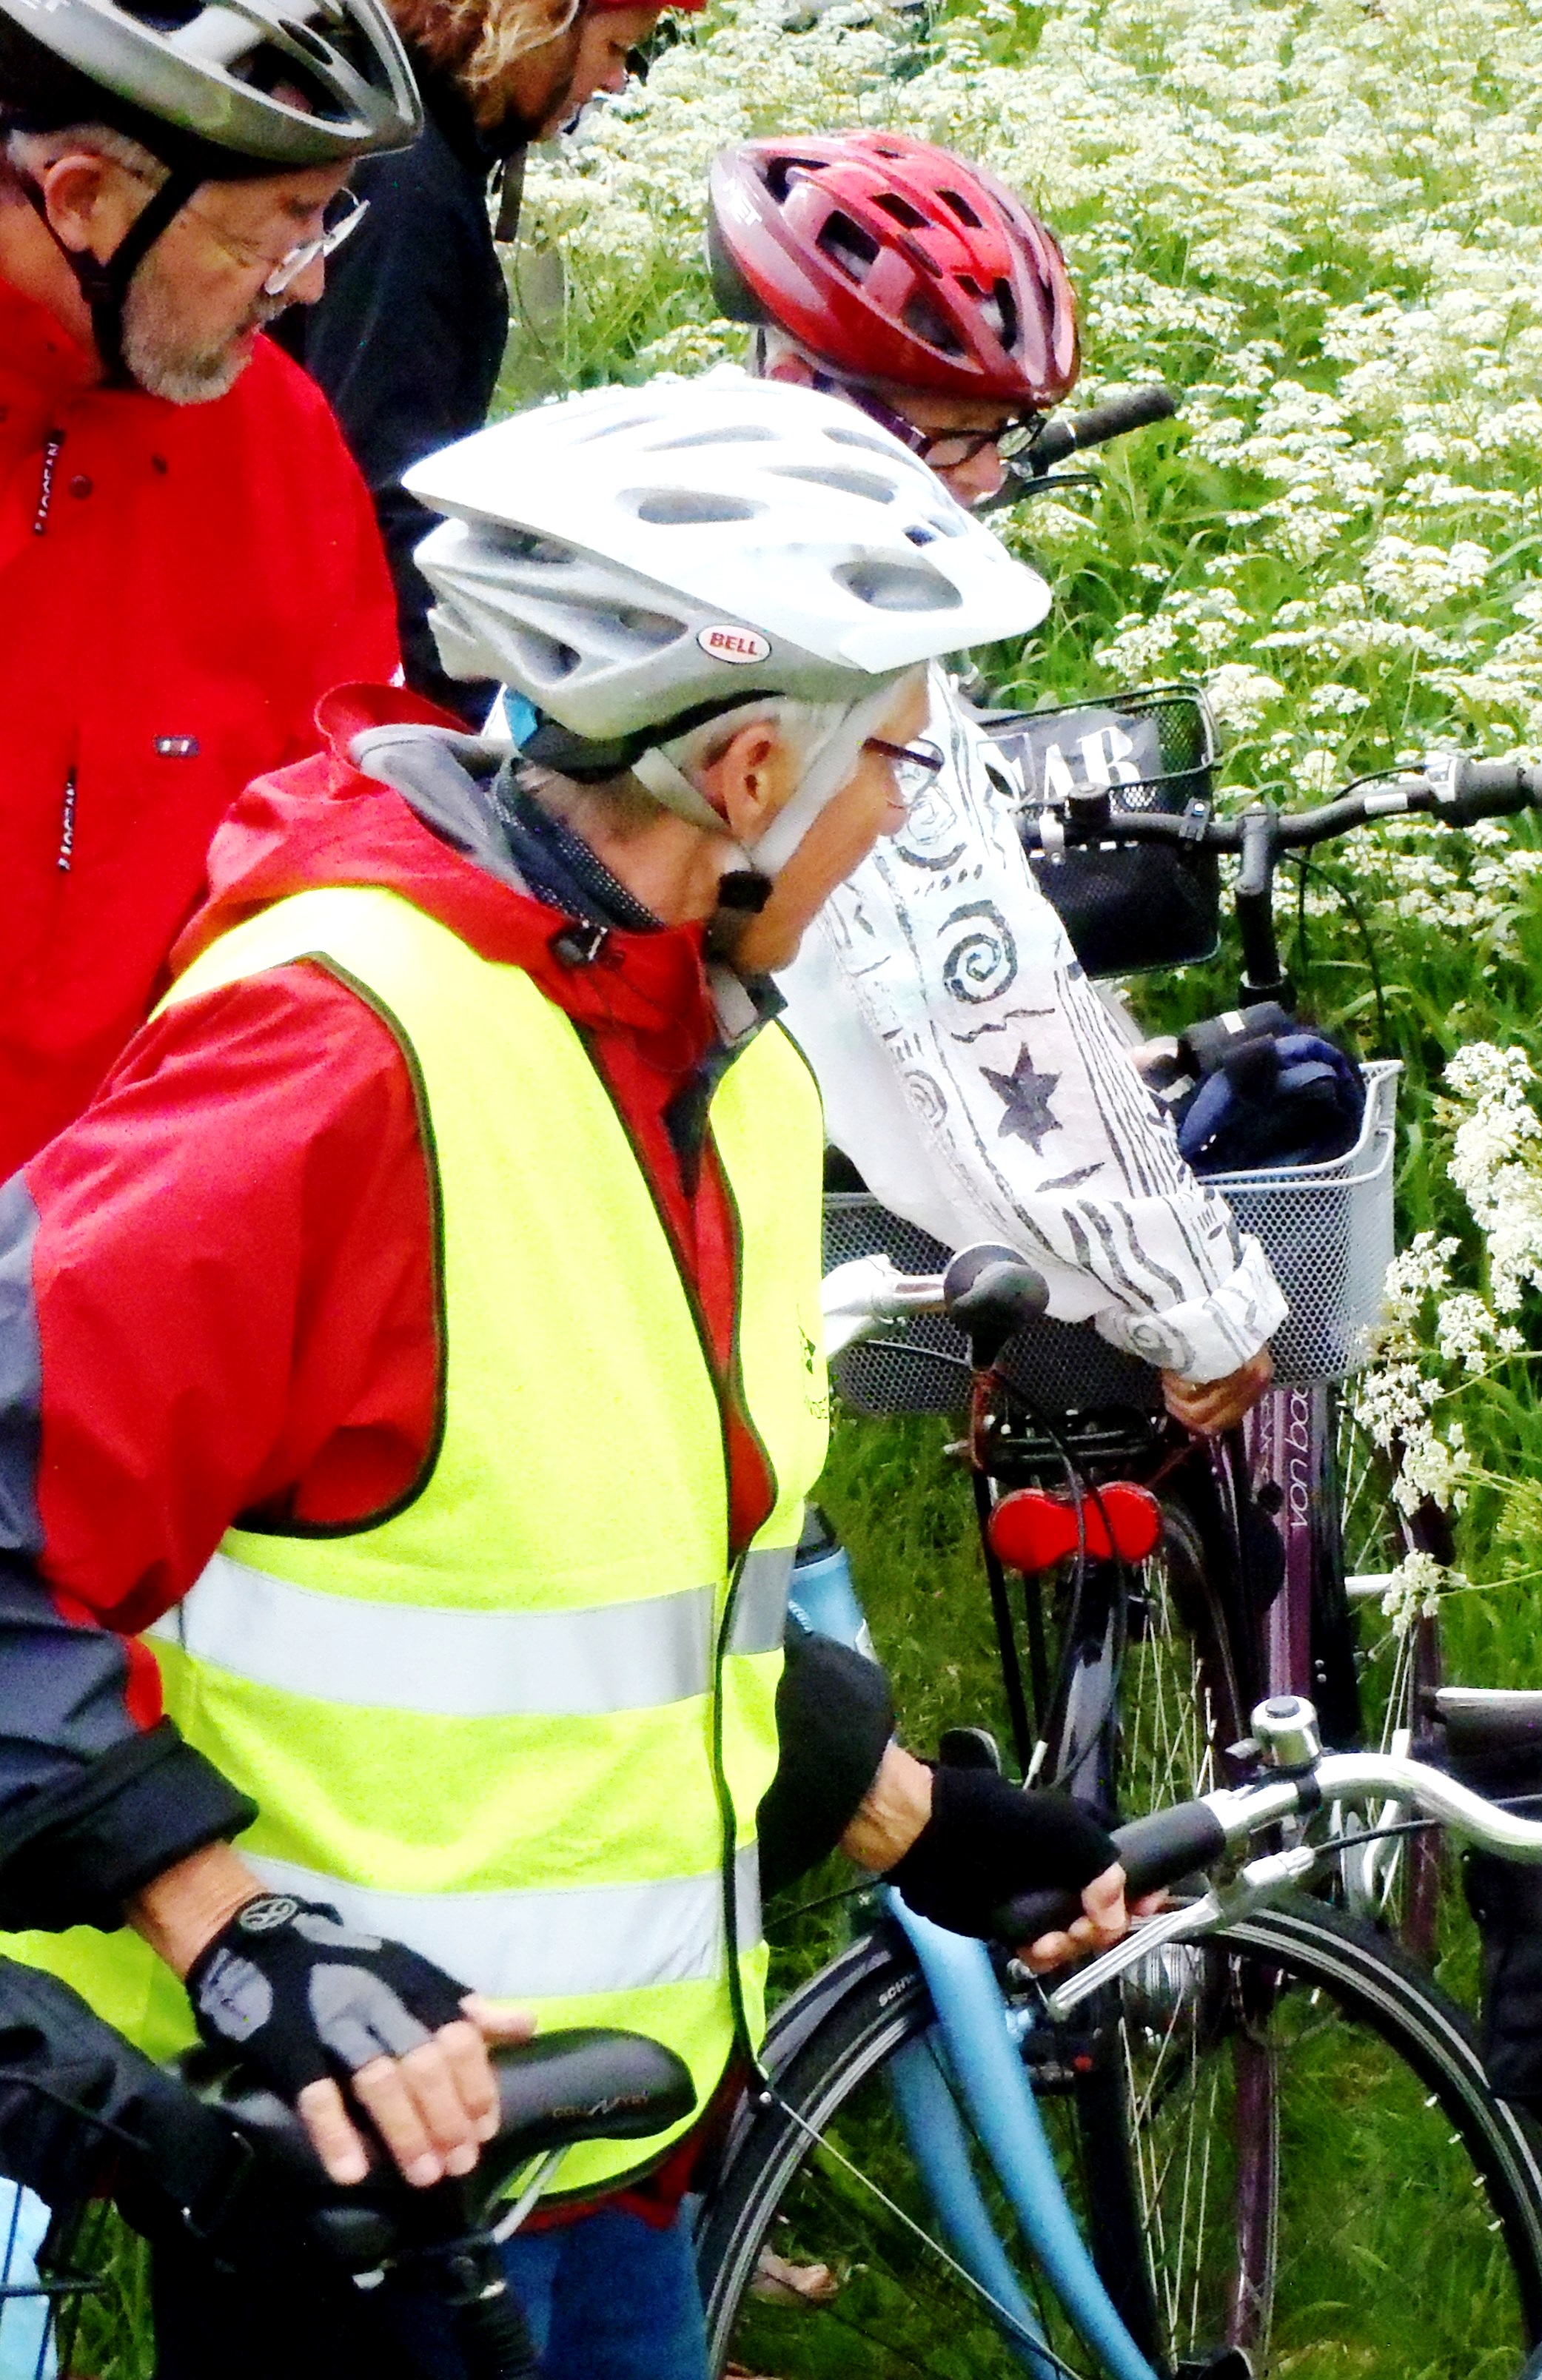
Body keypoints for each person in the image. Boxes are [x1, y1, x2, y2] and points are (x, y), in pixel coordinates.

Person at [0, 377, 1153, 2379]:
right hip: (357, 2194)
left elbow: (605, 1599)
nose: (909, 807)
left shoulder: (717, 1060)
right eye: (897, 750)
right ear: (740, 768)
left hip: (616, 2155)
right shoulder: (343, 1051)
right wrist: (228, 1926)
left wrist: (909, 1821)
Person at [710, 130, 1284, 1428]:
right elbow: (947, 1011)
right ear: (818, 392)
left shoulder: (700, 542)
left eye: (1004, 437)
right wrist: (1192, 1304)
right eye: (957, 437)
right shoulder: (835, 653)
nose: (983, 481)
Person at [0, 0, 415, 1180]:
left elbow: (348, 861)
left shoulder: (281, 446)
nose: (313, 286)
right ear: (84, 201)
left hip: (137, 1261)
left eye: (326, 217)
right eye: (273, 232)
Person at [273, 0, 686, 716]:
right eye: (616, 47)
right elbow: (386, 492)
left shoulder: (420, 154)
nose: (619, 81)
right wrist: (470, 727)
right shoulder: (411, 189)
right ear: (542, 21)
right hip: (333, 689)